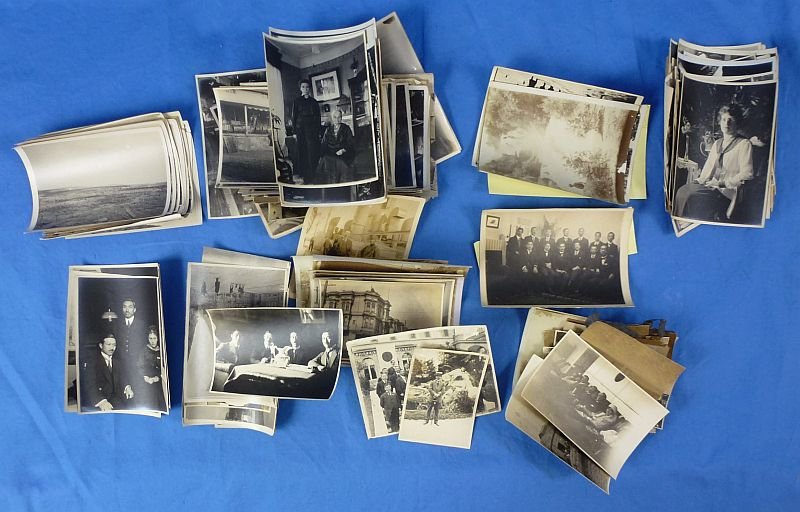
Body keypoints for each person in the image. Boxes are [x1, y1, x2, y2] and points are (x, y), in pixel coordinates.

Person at [674, 104, 753, 221]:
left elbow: (747, 174)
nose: (726, 123)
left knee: (692, 196)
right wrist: (699, 181)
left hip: (727, 191)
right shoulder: (717, 143)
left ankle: (688, 222)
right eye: (724, 119)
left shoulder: (744, 144)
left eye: (731, 120)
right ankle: (680, 222)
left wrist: (721, 184)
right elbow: (709, 168)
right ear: (719, 122)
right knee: (682, 190)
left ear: (737, 123)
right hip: (712, 186)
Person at [81, 334, 134, 412]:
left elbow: (122, 377)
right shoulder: (92, 361)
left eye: (114, 345)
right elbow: (90, 385)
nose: (112, 348)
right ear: (101, 345)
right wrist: (101, 401)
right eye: (108, 344)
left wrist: (127, 387)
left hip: (115, 397)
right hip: (99, 398)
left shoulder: (117, 361)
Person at [291, 78, 322, 183]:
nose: (305, 89)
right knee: (302, 152)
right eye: (303, 87)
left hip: (312, 131)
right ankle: (304, 175)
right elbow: (294, 117)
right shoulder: (296, 101)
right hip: (300, 131)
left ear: (310, 89)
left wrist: (318, 132)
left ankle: (313, 174)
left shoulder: (314, 102)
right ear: (300, 88)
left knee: (312, 152)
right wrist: (294, 132)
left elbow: (318, 118)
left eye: (307, 87)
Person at [316, 109, 356, 184]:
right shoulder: (328, 129)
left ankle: (340, 182)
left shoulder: (346, 128)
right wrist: (320, 156)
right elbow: (323, 144)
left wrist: (343, 150)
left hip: (343, 152)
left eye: (339, 117)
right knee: (324, 161)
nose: (337, 119)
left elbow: (351, 143)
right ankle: (330, 182)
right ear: (332, 118)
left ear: (341, 118)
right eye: (335, 117)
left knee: (340, 162)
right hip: (331, 152)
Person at [136, 326, 166, 411]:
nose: (152, 341)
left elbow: (163, 368)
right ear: (148, 339)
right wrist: (145, 377)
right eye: (150, 338)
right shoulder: (144, 351)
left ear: (158, 338)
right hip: (146, 382)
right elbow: (139, 366)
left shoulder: (161, 351)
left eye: (154, 338)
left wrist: (158, 377)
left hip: (159, 382)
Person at [114, 298, 147, 365]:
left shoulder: (141, 325)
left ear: (134, 309)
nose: (127, 310)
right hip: (120, 361)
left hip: (137, 361)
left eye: (130, 307)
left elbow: (144, 344)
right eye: (124, 307)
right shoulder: (117, 324)